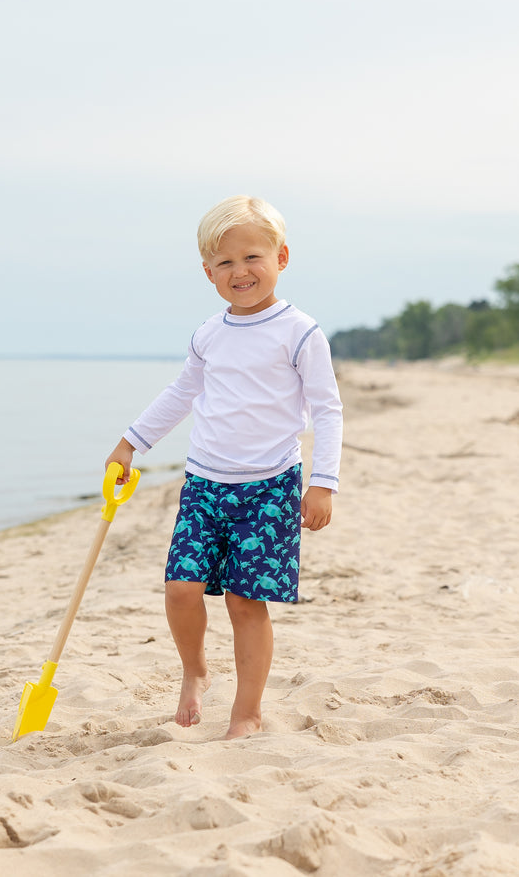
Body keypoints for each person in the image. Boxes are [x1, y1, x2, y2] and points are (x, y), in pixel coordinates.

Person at [105, 194, 343, 740]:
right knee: (181, 589)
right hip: (205, 483)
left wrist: (323, 484)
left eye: (253, 257)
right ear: (208, 272)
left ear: (281, 258)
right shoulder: (208, 334)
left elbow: (327, 409)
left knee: (244, 601)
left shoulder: (300, 332)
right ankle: (195, 671)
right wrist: (129, 444)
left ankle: (247, 712)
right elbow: (181, 393)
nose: (241, 272)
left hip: (270, 487)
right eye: (226, 263)